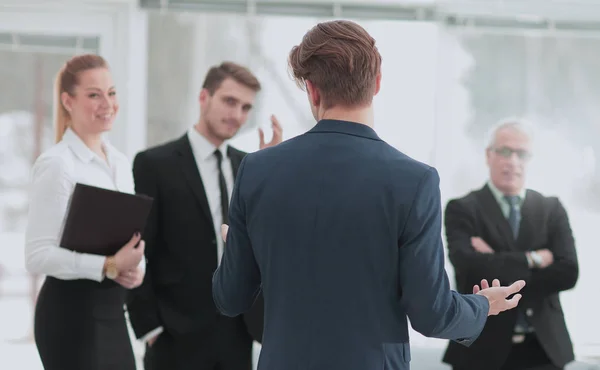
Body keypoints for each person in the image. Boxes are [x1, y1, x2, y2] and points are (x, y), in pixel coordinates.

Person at [212, 20, 526, 370]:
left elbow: (230, 298)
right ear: (376, 83)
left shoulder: (257, 171)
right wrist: (482, 305)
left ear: (312, 90)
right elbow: (432, 315)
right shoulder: (414, 180)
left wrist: (235, 248)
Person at [127, 61, 282, 370]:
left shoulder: (250, 167)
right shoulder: (153, 164)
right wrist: (151, 329)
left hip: (237, 334)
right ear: (203, 98)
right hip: (174, 337)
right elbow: (138, 248)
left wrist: (270, 172)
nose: (237, 114)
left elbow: (264, 243)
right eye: (229, 101)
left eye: (246, 107)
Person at [24, 54, 146, 370]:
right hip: (69, 316)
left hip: (111, 311)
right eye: (94, 94)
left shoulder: (119, 162)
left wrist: (136, 268)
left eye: (112, 92)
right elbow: (37, 256)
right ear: (68, 101)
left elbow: (124, 233)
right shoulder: (57, 164)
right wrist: (108, 265)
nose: (107, 103)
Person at [442, 118, 579, 370]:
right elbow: (468, 265)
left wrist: (495, 260)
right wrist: (534, 259)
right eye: (504, 151)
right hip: (481, 350)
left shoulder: (551, 208)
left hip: (544, 350)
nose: (512, 161)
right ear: (488, 154)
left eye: (522, 153)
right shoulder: (462, 208)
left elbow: (568, 273)